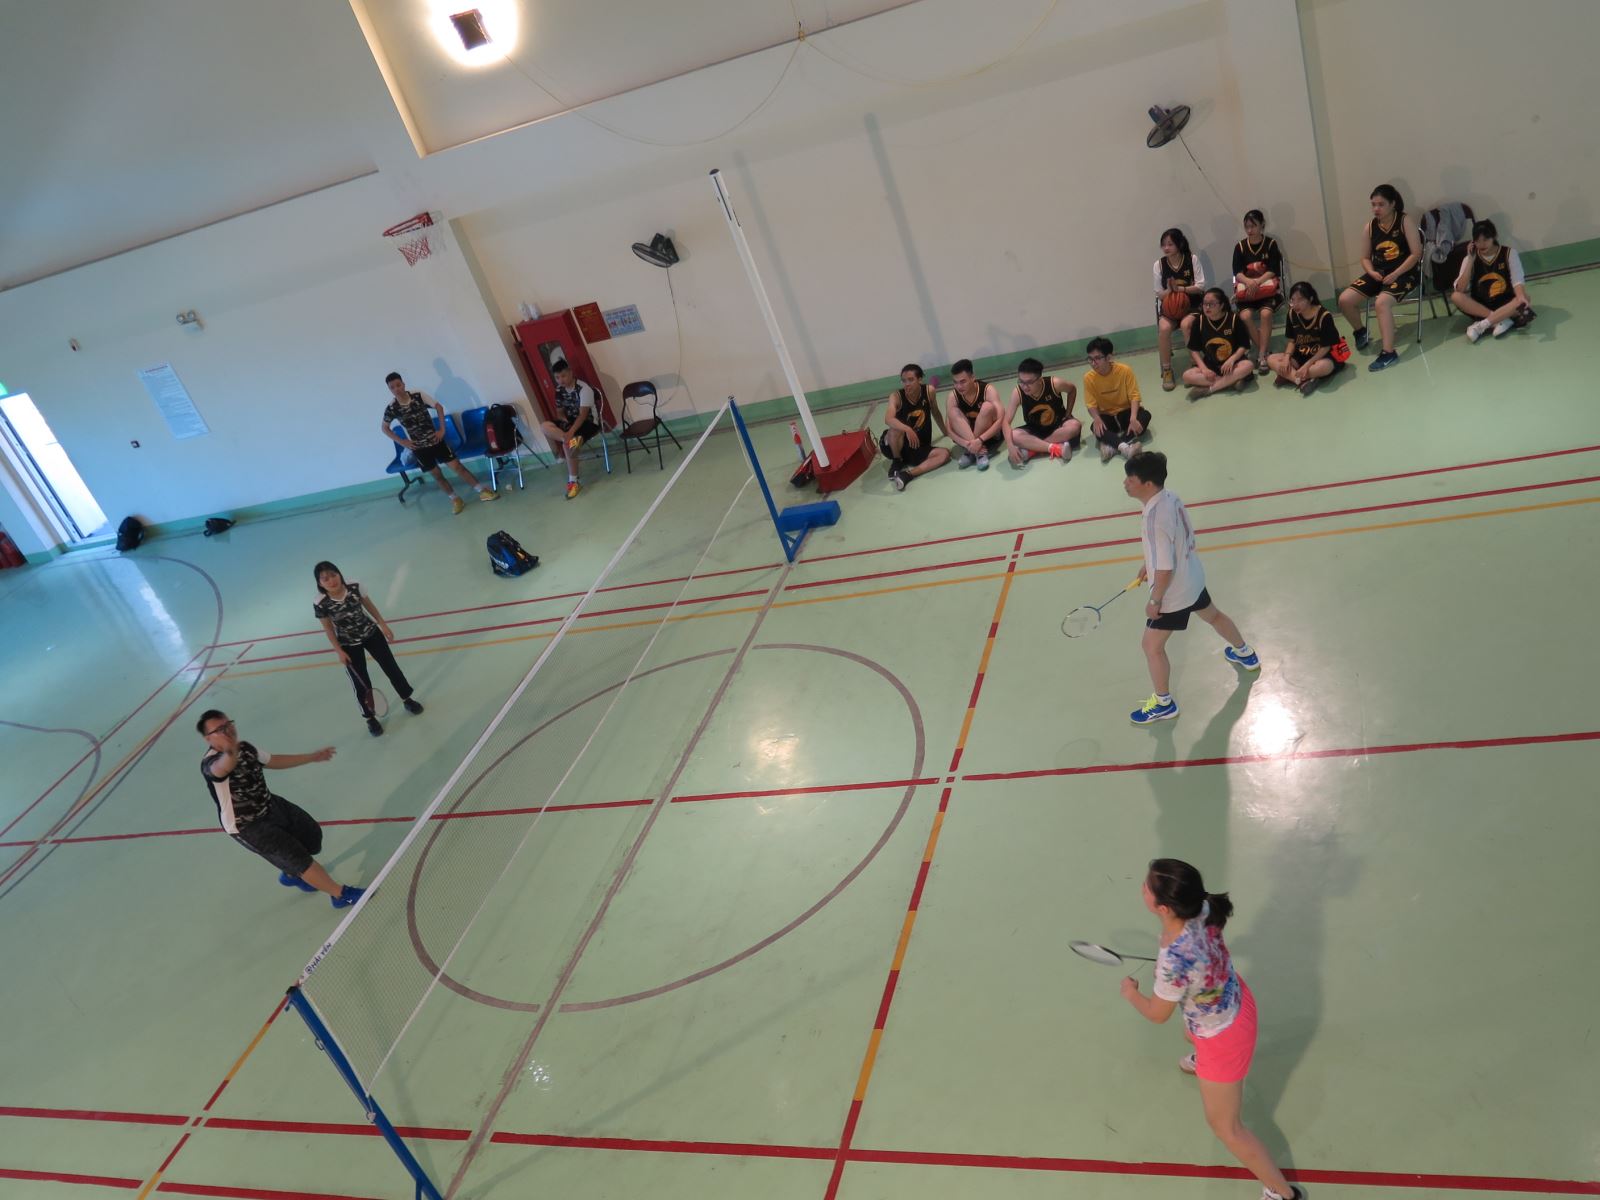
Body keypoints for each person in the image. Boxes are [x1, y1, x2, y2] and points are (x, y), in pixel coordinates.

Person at [1118, 858, 1305, 1200]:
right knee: (1189, 1031)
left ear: (1162, 907)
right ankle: (1200, 1059)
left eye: (1146, 886)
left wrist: (1131, 993)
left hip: (1223, 1038)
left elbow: (1157, 1014)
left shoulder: (1174, 962)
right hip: (1235, 1000)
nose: (1141, 888)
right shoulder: (1202, 907)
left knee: (1226, 1127)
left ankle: (1282, 1193)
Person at [1123, 451, 1259, 725]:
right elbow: (1172, 543)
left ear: (1147, 484)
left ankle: (1164, 704)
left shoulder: (1154, 520)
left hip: (1173, 594)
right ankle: (1245, 653)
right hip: (1192, 577)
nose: (1125, 483)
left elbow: (1165, 569)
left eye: (1130, 479)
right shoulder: (1170, 497)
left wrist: (1155, 601)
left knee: (1151, 646)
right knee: (1213, 615)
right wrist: (1149, 564)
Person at [196, 710, 365, 909]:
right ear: (208, 738)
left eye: (228, 724)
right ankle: (340, 895)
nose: (227, 730)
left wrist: (311, 757)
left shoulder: (246, 748)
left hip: (270, 805)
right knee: (299, 860)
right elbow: (223, 767)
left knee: (312, 836)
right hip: (247, 826)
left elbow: (273, 760)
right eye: (220, 729)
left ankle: (290, 873)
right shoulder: (210, 764)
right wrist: (230, 750)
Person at [313, 561, 425, 738]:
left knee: (392, 668)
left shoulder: (355, 586)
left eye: (333, 575)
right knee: (361, 683)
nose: (331, 581)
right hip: (348, 645)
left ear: (339, 574)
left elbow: (369, 606)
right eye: (325, 579)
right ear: (320, 583)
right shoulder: (321, 603)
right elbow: (328, 628)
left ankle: (407, 699)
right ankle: (370, 718)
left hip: (371, 634)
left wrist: (383, 625)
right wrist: (339, 651)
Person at [381, 373, 500, 515]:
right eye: (392, 387)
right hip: (419, 449)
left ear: (403, 384)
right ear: (390, 389)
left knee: (458, 467)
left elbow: (438, 407)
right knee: (437, 475)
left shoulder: (418, 395)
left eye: (398, 385)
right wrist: (402, 442)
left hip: (436, 441)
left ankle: (482, 491)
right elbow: (385, 428)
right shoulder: (392, 408)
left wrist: (442, 429)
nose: (396, 389)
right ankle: (455, 500)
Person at [1336, 184, 1422, 372]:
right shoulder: (1369, 227)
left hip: (1405, 273)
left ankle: (1389, 352)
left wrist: (1396, 273)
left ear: (1393, 204)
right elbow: (1365, 258)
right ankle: (1360, 331)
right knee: (1344, 300)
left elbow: (1416, 254)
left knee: (1381, 303)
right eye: (1373, 205)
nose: (1376, 209)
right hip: (1379, 273)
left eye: (1381, 204)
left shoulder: (1404, 221)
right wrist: (1371, 272)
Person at [1451, 219, 1536, 342]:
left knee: (1524, 297)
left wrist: (1521, 297)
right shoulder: (1470, 258)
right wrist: (1470, 260)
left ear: (1494, 237)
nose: (1482, 244)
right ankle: (1500, 320)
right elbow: (1460, 289)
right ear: (1473, 242)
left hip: (1506, 303)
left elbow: (1517, 281)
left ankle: (1482, 325)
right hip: (1481, 306)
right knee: (1455, 296)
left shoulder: (1509, 253)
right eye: (1477, 241)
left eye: (1485, 239)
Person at [878, 363, 951, 491]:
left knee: (944, 454)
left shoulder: (929, 391)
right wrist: (907, 429)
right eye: (904, 381)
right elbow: (888, 419)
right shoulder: (896, 397)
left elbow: (935, 412)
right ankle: (897, 460)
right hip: (894, 444)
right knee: (896, 428)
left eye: (911, 380)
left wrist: (946, 432)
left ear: (920, 380)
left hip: (917, 446)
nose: (907, 384)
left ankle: (908, 475)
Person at [1266, 282, 1344, 396]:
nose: (1295, 304)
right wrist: (1286, 358)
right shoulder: (1292, 314)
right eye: (1293, 300)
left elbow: (1326, 347)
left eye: (1300, 300)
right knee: (1271, 359)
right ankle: (1301, 380)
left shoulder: (1324, 316)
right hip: (1301, 355)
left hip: (1322, 356)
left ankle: (1289, 375)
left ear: (1310, 299)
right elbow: (1292, 341)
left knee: (1323, 367)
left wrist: (1307, 365)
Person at [1081, 337, 1151, 462]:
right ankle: (1125, 448)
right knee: (1095, 426)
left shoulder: (1125, 370)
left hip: (1125, 413)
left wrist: (1133, 418)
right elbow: (1090, 403)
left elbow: (1134, 396)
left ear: (1108, 357)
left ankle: (1112, 446)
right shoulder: (1088, 378)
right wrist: (1096, 418)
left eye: (1097, 358)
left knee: (1145, 416)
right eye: (1090, 359)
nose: (1093, 363)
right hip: (1107, 416)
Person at [1231, 210, 1285, 372]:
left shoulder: (1271, 244)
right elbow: (1237, 272)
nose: (1249, 230)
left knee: (1266, 314)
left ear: (1262, 225)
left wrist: (1257, 282)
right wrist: (1249, 282)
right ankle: (1265, 351)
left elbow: (1274, 270)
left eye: (1253, 226)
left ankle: (1261, 354)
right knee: (1245, 316)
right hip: (1248, 291)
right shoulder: (1240, 247)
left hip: (1267, 290)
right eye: (1246, 227)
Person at [1003, 357, 1081, 467]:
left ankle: (1032, 449)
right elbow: (1006, 422)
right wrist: (1010, 446)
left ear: (1040, 380)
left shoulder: (1054, 383)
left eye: (1029, 382)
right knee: (1013, 435)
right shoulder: (1018, 392)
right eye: (1021, 381)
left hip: (1058, 425)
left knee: (1075, 426)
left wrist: (1068, 413)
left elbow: (1072, 389)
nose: (1024, 386)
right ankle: (1056, 448)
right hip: (1034, 428)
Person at [540, 361, 602, 500]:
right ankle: (569, 440)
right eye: (557, 377)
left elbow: (583, 415)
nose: (561, 380)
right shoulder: (559, 391)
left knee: (567, 445)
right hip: (570, 422)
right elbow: (559, 413)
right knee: (544, 426)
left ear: (570, 373)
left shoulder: (584, 389)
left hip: (588, 423)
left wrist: (571, 431)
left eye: (563, 376)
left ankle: (573, 482)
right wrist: (566, 427)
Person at [1154, 228, 1206, 391]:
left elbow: (1200, 286)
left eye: (1170, 244)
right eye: (1163, 245)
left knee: (1186, 325)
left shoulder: (1192, 259)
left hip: (1191, 305)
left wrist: (1181, 290)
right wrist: (1170, 290)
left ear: (1179, 244)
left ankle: (1194, 364)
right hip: (1170, 309)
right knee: (1164, 328)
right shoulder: (1159, 265)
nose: (1166, 248)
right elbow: (1159, 293)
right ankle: (1167, 369)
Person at [1182, 289, 1254, 397]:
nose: (1207, 307)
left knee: (1248, 365)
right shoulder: (1199, 321)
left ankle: (1210, 389)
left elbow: (1243, 345)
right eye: (1205, 304)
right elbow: (1194, 350)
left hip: (1233, 364)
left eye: (1211, 304)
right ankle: (1230, 381)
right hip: (1211, 366)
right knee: (1187, 375)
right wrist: (1204, 369)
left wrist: (1232, 359)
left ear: (1221, 305)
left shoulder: (1234, 319)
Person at [945, 359, 1005, 471]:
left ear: (972, 377)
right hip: (967, 439)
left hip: (989, 436)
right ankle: (977, 452)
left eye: (963, 382)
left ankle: (973, 452)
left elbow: (1001, 420)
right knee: (952, 412)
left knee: (987, 406)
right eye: (955, 382)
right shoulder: (953, 396)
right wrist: (968, 444)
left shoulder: (988, 390)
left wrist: (979, 440)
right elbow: (948, 429)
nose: (959, 386)